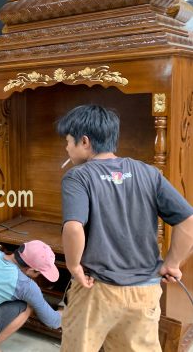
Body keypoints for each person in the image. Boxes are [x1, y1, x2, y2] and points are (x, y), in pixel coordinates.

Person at [57, 104, 193, 352]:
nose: (66, 147)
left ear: (84, 141)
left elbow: (74, 227)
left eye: (68, 141)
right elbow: (188, 222)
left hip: (96, 290)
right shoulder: (149, 173)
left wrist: (74, 266)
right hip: (145, 291)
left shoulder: (78, 176)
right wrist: (172, 264)